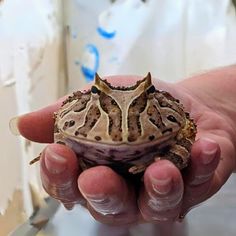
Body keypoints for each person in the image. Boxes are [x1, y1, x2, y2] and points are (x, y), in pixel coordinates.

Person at [10, 65, 236, 225]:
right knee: (97, 184)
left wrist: (173, 158)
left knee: (160, 179)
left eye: (147, 96)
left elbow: (187, 127)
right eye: (98, 94)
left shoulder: (168, 109)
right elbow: (60, 121)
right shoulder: (78, 108)